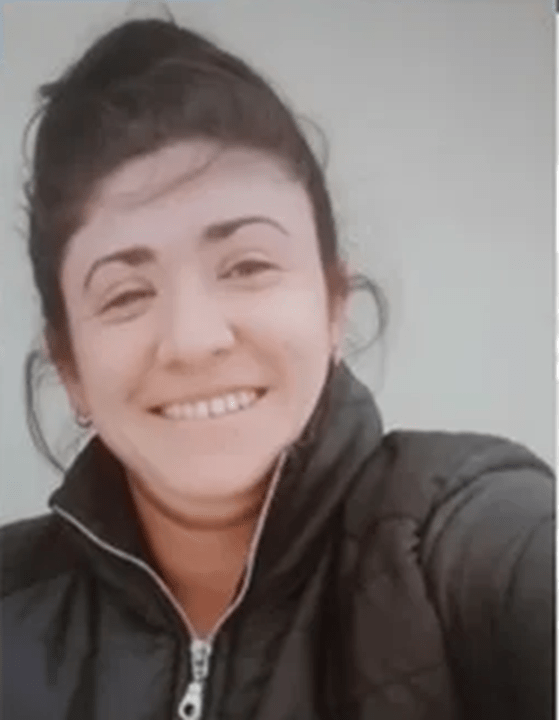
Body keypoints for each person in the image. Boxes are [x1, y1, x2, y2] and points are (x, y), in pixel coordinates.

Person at [1, 15, 554, 720]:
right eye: (126, 294)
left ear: (333, 307)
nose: (193, 340)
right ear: (70, 367)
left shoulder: (459, 535)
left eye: (247, 265)